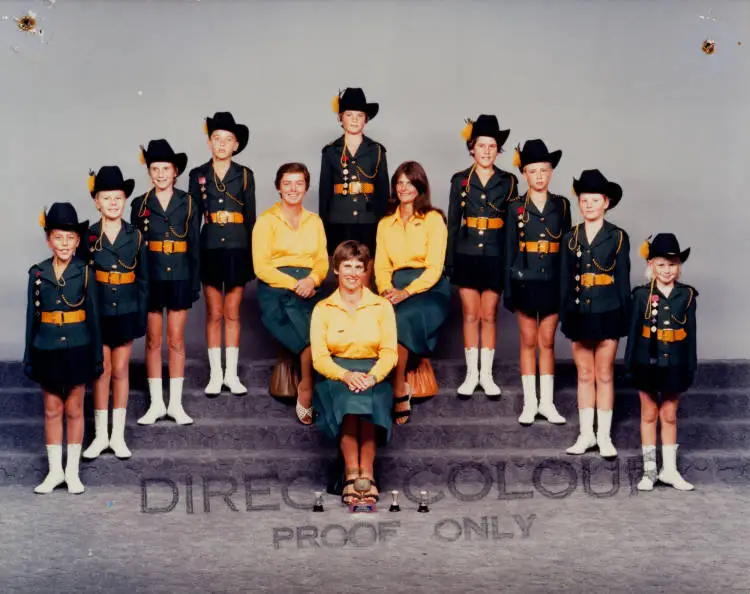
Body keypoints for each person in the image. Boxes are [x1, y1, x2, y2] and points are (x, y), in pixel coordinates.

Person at [310, 240, 398, 505]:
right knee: (349, 400)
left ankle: (366, 474)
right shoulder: (322, 308)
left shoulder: (382, 306)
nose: (352, 272)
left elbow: (390, 352)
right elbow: (319, 357)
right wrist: (345, 376)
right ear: (336, 269)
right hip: (336, 374)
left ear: (366, 271)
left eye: (358, 266)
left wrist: (372, 376)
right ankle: (352, 474)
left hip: (374, 371)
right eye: (346, 265)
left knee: (369, 398)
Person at [24, 203, 102, 494]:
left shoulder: (84, 273)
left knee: (74, 408)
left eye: (70, 238)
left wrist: (95, 357)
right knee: (52, 409)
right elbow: (31, 319)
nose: (65, 244)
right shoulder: (37, 274)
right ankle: (54, 472)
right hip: (46, 347)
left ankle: (72, 472)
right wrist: (28, 354)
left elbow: (93, 318)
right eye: (58, 238)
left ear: (78, 241)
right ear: (49, 240)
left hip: (78, 347)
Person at [560, 169, 630, 458]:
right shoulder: (570, 237)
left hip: (608, 310)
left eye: (594, 200)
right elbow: (565, 280)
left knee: (604, 372)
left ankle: (604, 437)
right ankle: (586, 435)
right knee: (584, 373)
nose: (588, 205)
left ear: (606, 202)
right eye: (584, 200)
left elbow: (623, 281)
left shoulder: (617, 236)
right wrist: (566, 313)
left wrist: (624, 316)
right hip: (579, 311)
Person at [446, 114, 518, 398]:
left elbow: (513, 228)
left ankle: (486, 376)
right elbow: (453, 223)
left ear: (498, 150)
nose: (486, 151)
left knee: (489, 315)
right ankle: (470, 374)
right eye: (481, 145)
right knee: (470, 314)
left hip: (495, 254)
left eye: (492, 146)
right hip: (466, 253)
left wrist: (511, 263)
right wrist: (449, 261)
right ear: (471, 148)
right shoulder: (460, 181)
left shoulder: (509, 181)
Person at [253, 163, 329, 424]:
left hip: (309, 286)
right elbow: (261, 266)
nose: (293, 188)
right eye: (287, 183)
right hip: (277, 288)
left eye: (299, 183)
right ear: (278, 186)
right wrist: (294, 284)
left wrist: (311, 279)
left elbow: (321, 261)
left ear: (306, 187)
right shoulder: (266, 221)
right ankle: (306, 388)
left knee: (328, 330)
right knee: (308, 335)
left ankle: (330, 394)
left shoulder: (315, 221)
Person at [131, 139, 200, 425]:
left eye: (166, 168)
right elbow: (133, 247)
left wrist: (194, 282)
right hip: (151, 276)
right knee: (153, 340)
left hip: (180, 275)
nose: (160, 174)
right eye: (155, 168)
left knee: (176, 339)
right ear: (149, 172)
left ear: (175, 172)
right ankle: (156, 403)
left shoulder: (188, 201)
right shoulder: (139, 203)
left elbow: (194, 244)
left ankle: (175, 404)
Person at [374, 161, 450, 421]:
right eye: (400, 182)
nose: (404, 188)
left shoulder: (433, 219)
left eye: (410, 182)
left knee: (402, 318)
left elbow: (434, 268)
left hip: (428, 288)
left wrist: (406, 292)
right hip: (393, 286)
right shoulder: (385, 223)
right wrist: (386, 290)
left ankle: (398, 389)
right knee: (378, 318)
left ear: (420, 186)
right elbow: (382, 265)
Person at [83, 166, 148, 460]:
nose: (112, 203)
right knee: (102, 371)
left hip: (126, 309)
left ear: (124, 201)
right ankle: (99, 436)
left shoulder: (135, 236)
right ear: (96, 201)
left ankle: (117, 437)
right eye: (106, 197)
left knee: (121, 371)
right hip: (98, 314)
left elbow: (144, 280)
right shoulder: (86, 237)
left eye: (118, 198)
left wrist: (140, 312)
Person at [189, 112, 256, 396]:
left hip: (238, 247)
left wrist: (254, 256)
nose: (221, 144)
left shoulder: (244, 175)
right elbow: (192, 221)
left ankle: (232, 374)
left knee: (232, 312)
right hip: (210, 246)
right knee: (214, 312)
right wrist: (192, 257)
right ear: (209, 143)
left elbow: (251, 219)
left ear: (236, 145)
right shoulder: (197, 175)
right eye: (216, 139)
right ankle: (215, 375)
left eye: (227, 140)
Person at [504, 140, 571, 424]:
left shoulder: (562, 205)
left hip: (553, 281)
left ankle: (548, 402)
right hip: (525, 281)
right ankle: (530, 403)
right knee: (528, 341)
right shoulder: (515, 208)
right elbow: (509, 250)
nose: (539, 176)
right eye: (533, 171)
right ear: (524, 174)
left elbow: (568, 249)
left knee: (547, 341)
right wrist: (509, 290)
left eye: (544, 170)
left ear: (551, 172)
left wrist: (567, 289)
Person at [626, 233, 697, 491]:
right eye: (661, 264)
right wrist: (630, 364)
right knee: (649, 413)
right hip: (646, 362)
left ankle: (670, 470)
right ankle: (649, 471)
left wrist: (691, 366)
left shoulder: (687, 295)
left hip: (675, 363)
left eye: (672, 264)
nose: (667, 270)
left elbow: (691, 336)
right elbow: (634, 333)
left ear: (678, 266)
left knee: (668, 415)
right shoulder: (641, 296)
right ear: (651, 265)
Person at [319, 87, 389, 281]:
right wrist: (323, 228)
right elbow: (324, 193)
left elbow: (383, 193)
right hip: (338, 220)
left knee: (365, 273)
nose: (355, 119)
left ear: (366, 119)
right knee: (342, 274)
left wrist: (382, 225)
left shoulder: (376, 150)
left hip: (369, 220)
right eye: (349, 114)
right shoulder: (330, 151)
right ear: (340, 118)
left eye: (360, 115)